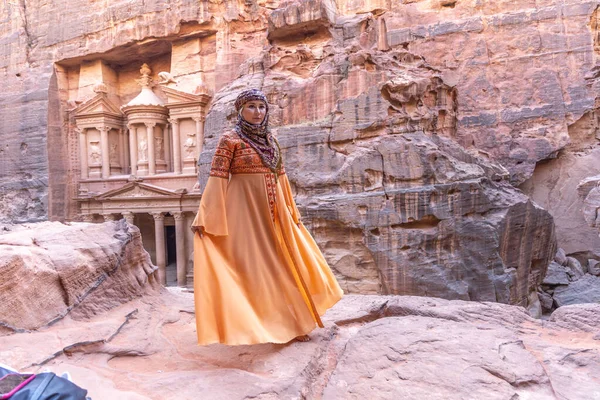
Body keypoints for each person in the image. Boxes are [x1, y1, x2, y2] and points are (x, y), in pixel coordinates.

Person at [191, 89, 343, 345]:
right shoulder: (229, 139)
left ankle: (294, 322)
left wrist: (291, 211)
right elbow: (217, 179)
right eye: (251, 106)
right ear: (240, 110)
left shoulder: (271, 140)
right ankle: (261, 327)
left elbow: (281, 177)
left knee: (286, 263)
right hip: (244, 213)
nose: (257, 112)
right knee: (256, 268)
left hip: (275, 212)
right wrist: (206, 217)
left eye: (261, 107)